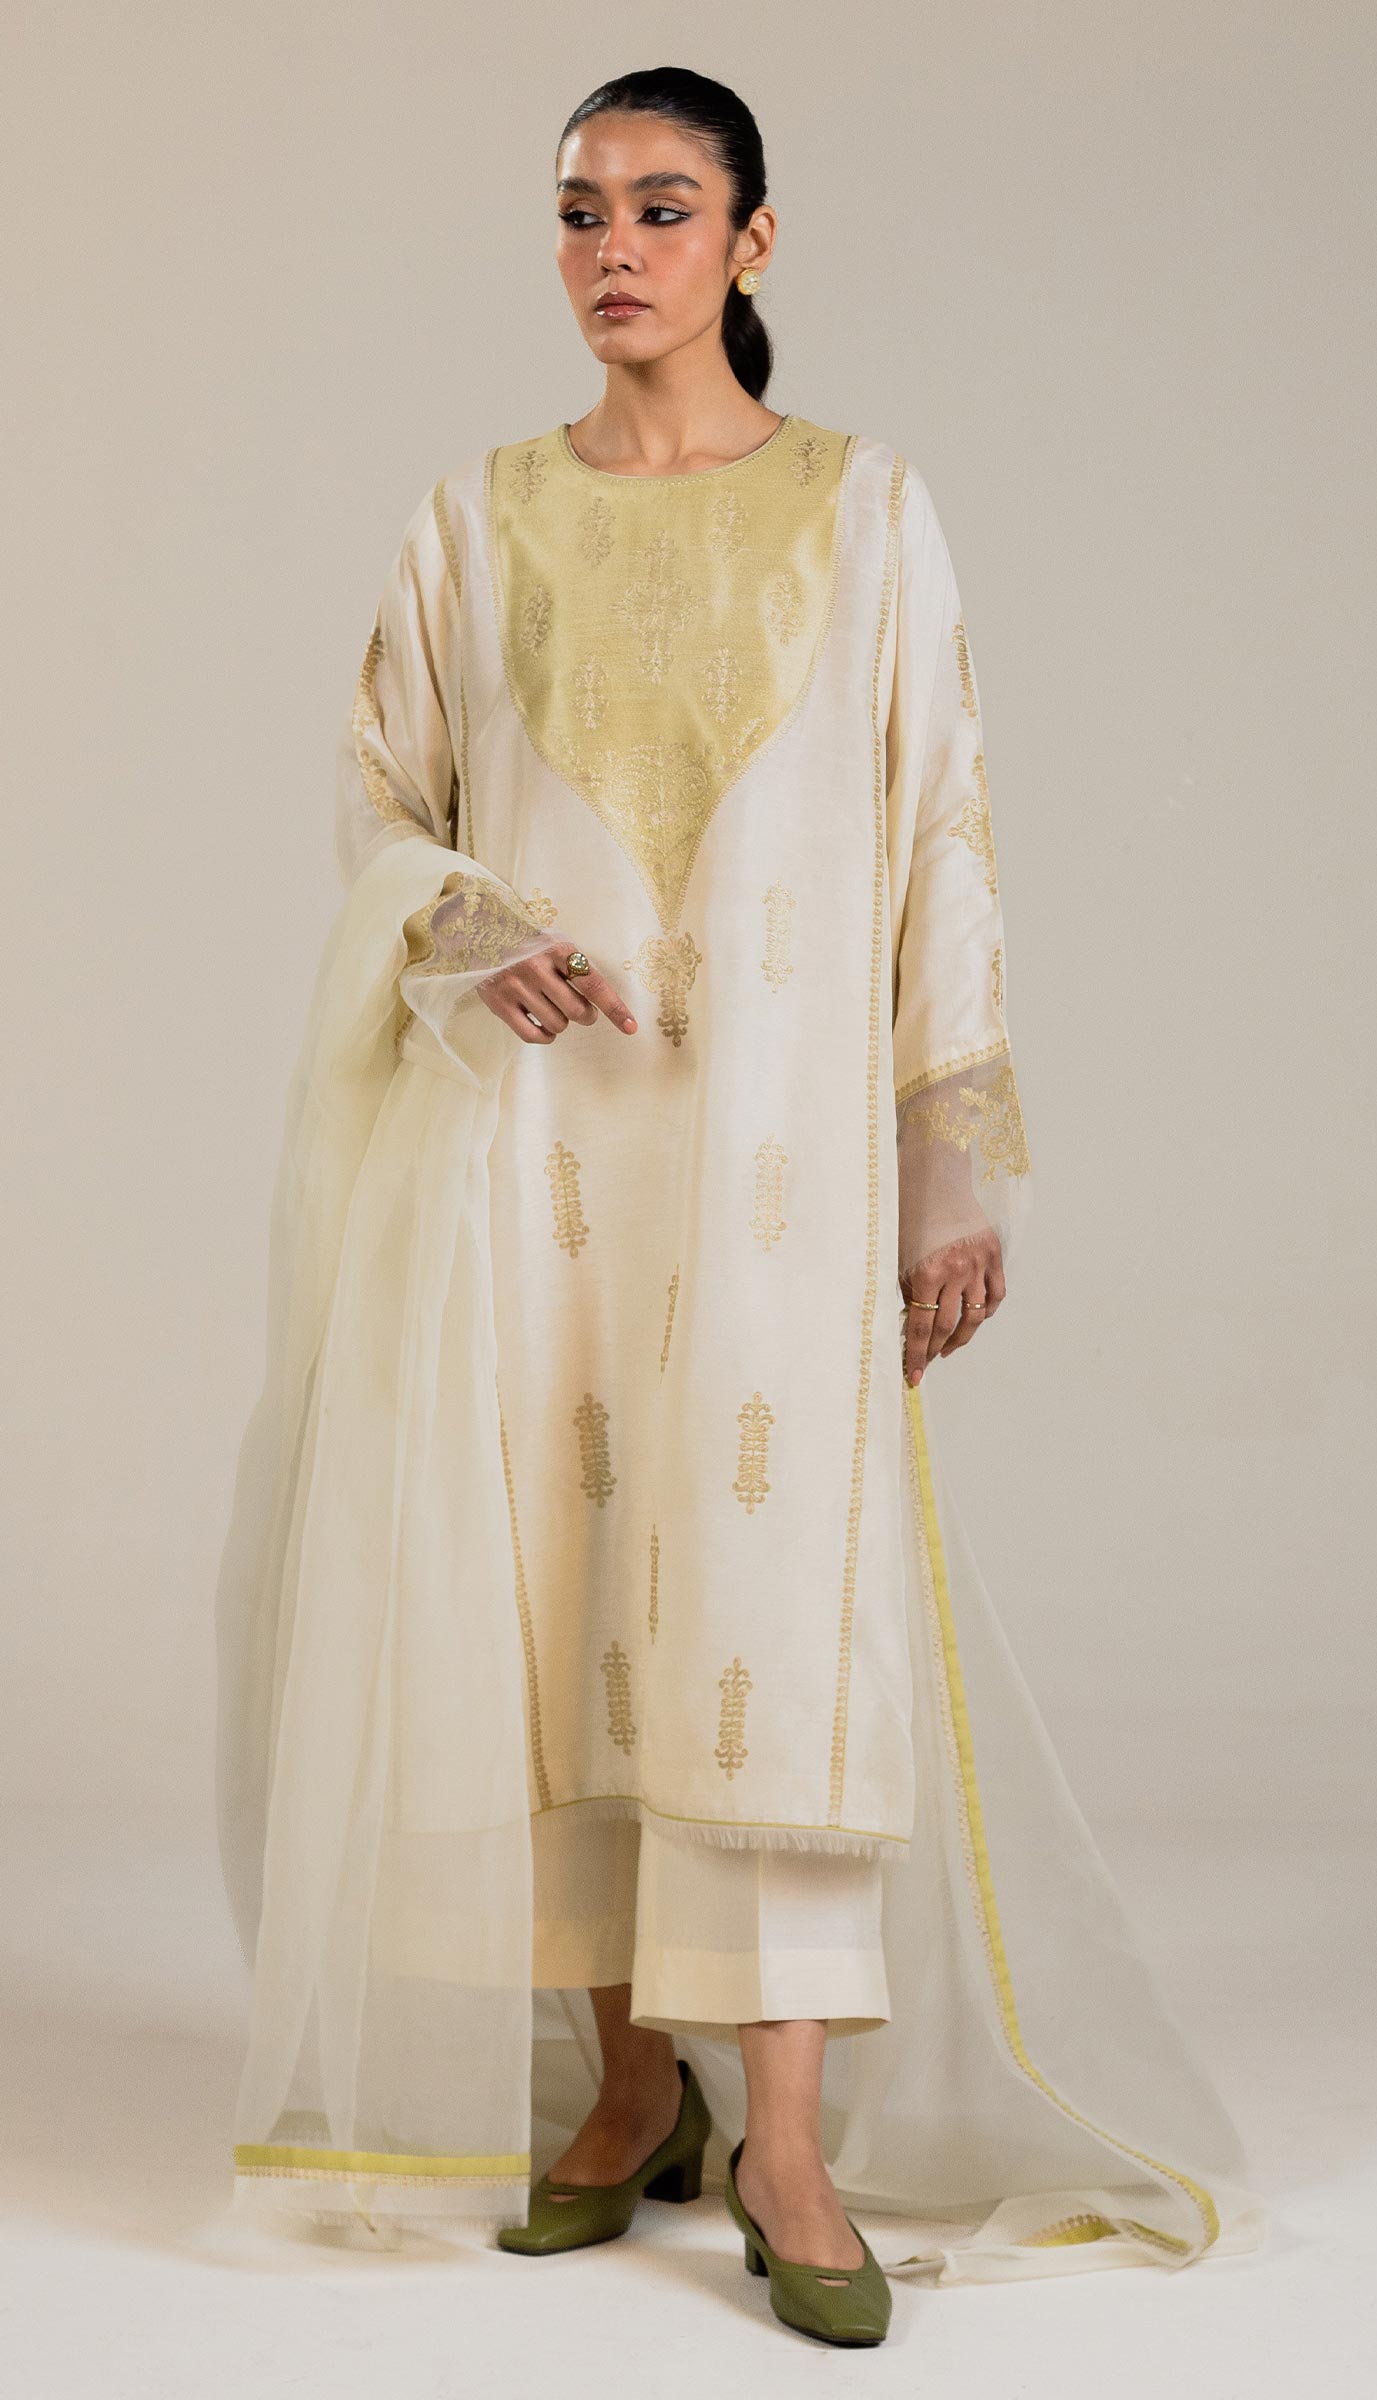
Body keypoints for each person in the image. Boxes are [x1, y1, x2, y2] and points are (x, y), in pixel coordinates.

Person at [212, 65, 1267, 2350]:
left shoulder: (867, 510)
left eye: (662, 207)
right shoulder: (476, 516)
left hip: (782, 1165)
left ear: (751, 243)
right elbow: (384, 793)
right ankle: (624, 2088)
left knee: (772, 1614)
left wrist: (946, 1165)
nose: (612, 249)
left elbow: (942, 835)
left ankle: (781, 2137)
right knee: (562, 1589)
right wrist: (470, 939)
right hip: (544, 1160)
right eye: (578, 210)